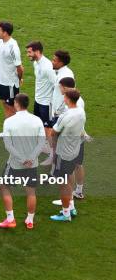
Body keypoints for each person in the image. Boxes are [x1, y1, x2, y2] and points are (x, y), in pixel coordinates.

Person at [0, 93, 45, 230]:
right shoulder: (37, 120)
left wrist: (22, 159)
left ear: (16, 104)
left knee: (4, 186)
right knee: (31, 192)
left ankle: (10, 219)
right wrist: (31, 158)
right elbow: (42, 142)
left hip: (15, 164)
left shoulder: (9, 121)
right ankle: (30, 220)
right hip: (32, 164)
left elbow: (8, 145)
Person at [50, 89, 86, 222]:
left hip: (63, 153)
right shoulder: (81, 111)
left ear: (68, 99)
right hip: (74, 150)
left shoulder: (65, 116)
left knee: (62, 183)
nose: (63, 97)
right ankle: (71, 207)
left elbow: (54, 132)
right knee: (69, 178)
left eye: (64, 96)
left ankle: (66, 214)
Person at [42, 50, 74, 165]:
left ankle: (56, 164)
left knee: (57, 139)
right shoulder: (58, 72)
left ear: (61, 62)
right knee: (54, 138)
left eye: (54, 60)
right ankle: (54, 161)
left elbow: (68, 94)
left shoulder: (66, 75)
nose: (52, 62)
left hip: (60, 113)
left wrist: (58, 112)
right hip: (55, 110)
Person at [25, 41, 56, 161]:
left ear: (37, 51)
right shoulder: (36, 64)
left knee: (48, 128)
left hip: (47, 103)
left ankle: (53, 154)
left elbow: (56, 85)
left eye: (29, 52)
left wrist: (53, 102)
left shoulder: (48, 67)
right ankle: (45, 146)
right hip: (38, 100)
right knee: (41, 125)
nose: (28, 55)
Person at [0, 21, 23, 119]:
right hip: (1, 80)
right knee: (5, 105)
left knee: (12, 108)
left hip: (10, 83)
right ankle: (8, 130)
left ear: (5, 33)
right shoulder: (1, 42)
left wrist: (19, 79)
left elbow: (19, 67)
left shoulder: (13, 47)